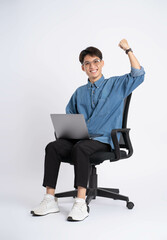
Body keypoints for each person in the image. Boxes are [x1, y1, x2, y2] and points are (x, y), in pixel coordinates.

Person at [31, 39, 145, 221]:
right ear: (83, 68)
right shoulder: (79, 92)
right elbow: (70, 118)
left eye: (95, 61)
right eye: (87, 63)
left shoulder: (116, 85)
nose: (92, 66)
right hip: (80, 140)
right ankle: (49, 199)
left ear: (102, 63)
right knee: (53, 146)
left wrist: (128, 50)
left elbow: (138, 74)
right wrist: (66, 133)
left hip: (105, 141)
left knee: (81, 148)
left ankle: (80, 202)